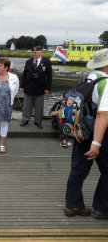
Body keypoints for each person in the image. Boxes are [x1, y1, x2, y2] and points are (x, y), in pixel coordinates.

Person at [64, 48, 108, 219]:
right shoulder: (105, 82)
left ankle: (73, 205)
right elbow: (103, 114)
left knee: (78, 168)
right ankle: (103, 208)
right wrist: (97, 143)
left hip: (82, 130)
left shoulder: (86, 78)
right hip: (101, 133)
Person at [19, 46, 52, 129]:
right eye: (33, 52)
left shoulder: (46, 62)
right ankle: (25, 119)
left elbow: (50, 76)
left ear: (40, 53)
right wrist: (22, 86)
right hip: (29, 87)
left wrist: (48, 88)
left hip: (40, 87)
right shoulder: (28, 62)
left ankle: (38, 121)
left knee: (39, 106)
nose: (33, 54)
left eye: (35, 53)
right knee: (27, 105)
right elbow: (24, 75)